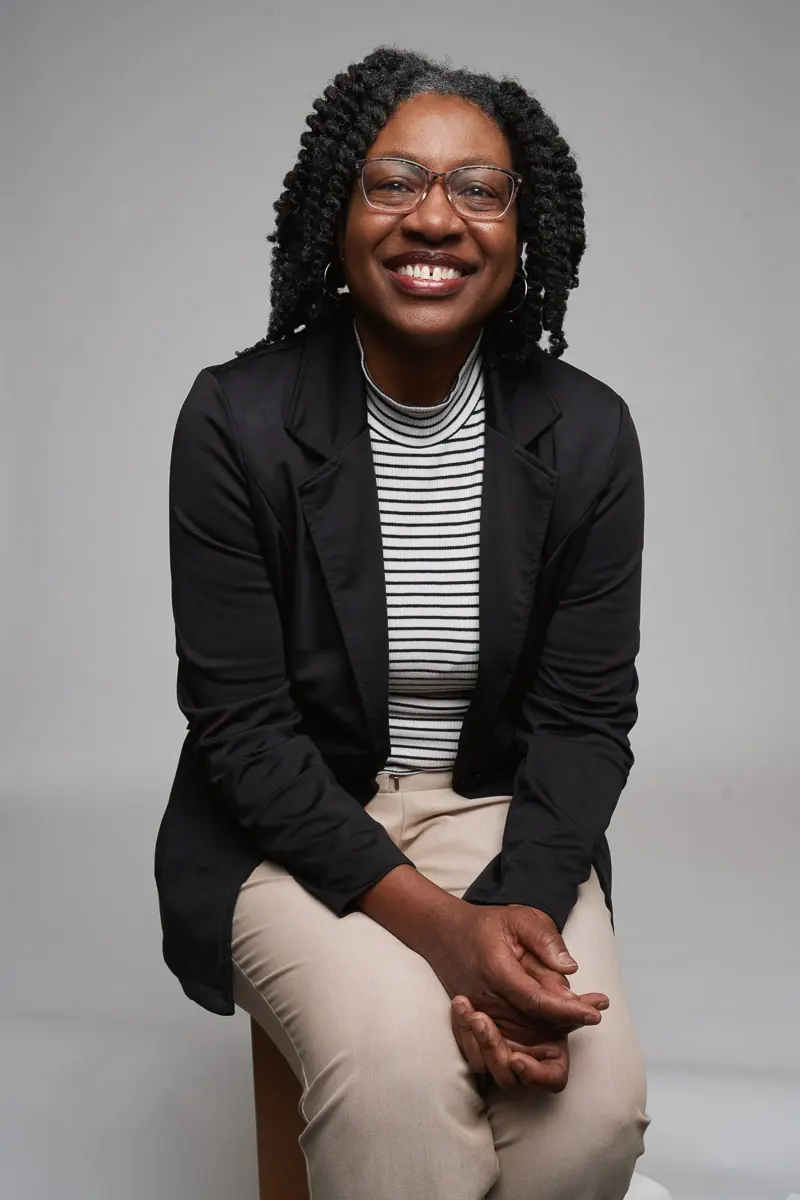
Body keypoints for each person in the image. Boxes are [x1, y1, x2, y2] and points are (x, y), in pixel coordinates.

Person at [155, 45, 650, 1200]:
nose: (434, 219)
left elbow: (584, 720)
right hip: (291, 828)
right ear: (339, 212)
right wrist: (444, 937)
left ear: (523, 231)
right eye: (393, 183)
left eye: (477, 189)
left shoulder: (586, 434)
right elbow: (243, 732)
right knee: (398, 1093)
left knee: (589, 1122)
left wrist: (516, 915)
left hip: (500, 812)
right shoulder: (235, 421)